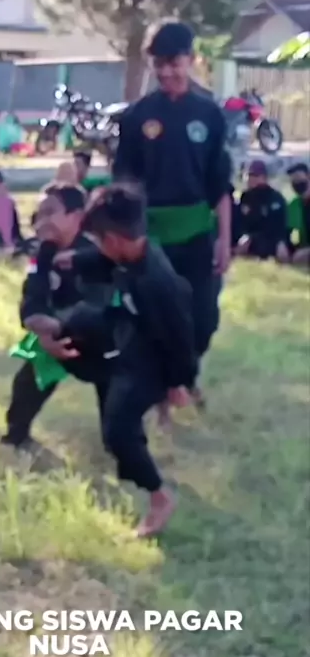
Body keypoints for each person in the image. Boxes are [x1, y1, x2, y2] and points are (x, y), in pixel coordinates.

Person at [113, 21, 231, 407]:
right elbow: (124, 182)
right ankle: (166, 391)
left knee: (204, 318)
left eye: (174, 63)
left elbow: (220, 184)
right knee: (158, 316)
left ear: (191, 60)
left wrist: (224, 240)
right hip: (152, 233)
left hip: (197, 230)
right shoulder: (137, 116)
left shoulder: (210, 114)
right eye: (158, 64)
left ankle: (184, 375)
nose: (166, 72)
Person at [82, 184, 198, 536]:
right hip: (133, 339)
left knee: (118, 430)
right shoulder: (135, 253)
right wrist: (73, 260)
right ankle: (129, 447)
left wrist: (179, 382)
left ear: (114, 240)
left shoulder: (156, 282)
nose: (98, 248)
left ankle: (160, 497)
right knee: (80, 323)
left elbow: (181, 337)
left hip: (154, 362)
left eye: (98, 241)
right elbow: (102, 262)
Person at [1, 184, 116, 450]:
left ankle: (121, 446)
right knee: (27, 382)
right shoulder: (43, 253)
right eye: (39, 214)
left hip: (101, 340)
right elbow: (32, 297)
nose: (42, 221)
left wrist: (58, 329)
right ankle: (16, 438)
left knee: (116, 394)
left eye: (50, 212)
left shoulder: (96, 253)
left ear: (77, 216)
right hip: (54, 336)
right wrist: (41, 330)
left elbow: (98, 308)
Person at [235, 160, 289, 262]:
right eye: (249, 175)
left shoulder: (275, 197)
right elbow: (243, 222)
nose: (250, 179)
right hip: (250, 239)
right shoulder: (246, 197)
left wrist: (280, 241)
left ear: (263, 177)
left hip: (271, 239)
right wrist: (246, 236)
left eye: (254, 175)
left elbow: (279, 225)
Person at [287, 162, 310, 267]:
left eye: (298, 177)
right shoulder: (295, 204)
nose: (296, 182)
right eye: (293, 180)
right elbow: (286, 232)